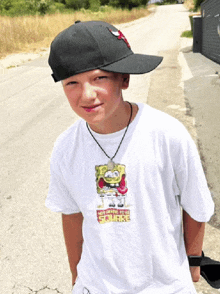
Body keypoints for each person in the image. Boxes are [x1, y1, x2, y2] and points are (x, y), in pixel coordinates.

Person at [45, 20, 214, 294]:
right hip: (96, 285)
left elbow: (196, 205)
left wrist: (193, 263)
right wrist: (77, 278)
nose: (87, 95)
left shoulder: (167, 134)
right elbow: (72, 215)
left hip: (165, 285)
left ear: (124, 78)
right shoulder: (66, 147)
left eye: (99, 78)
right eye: (72, 83)